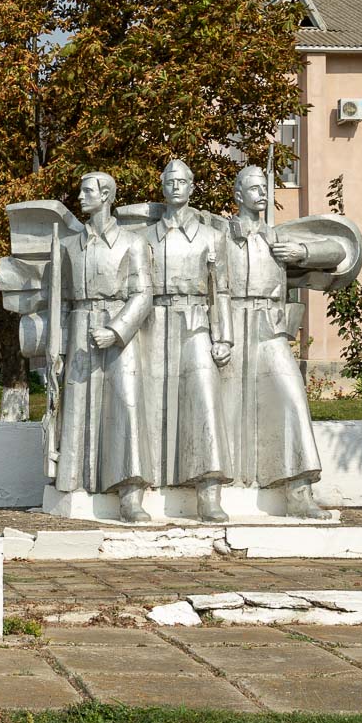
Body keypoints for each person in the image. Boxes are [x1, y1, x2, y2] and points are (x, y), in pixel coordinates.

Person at [222, 165, 343, 518]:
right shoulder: (221, 234)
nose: (262, 193)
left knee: (291, 399)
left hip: (268, 328)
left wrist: (300, 252)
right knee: (223, 408)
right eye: (254, 188)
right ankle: (213, 488)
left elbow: (338, 250)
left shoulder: (279, 238)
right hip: (230, 327)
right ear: (238, 194)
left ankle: (298, 492)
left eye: (265, 187)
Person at [53, 173, 157, 520]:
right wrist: (58, 347)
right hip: (79, 328)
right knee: (77, 406)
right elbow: (59, 300)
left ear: (106, 195)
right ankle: (73, 483)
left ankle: (130, 494)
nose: (81, 196)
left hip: (118, 329)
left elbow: (143, 294)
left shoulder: (132, 242)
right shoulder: (69, 245)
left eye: (87, 191)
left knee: (126, 405)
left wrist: (116, 330)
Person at [141, 159, 234, 522]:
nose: (176, 186)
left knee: (203, 401)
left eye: (182, 181)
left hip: (195, 321)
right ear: (162, 186)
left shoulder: (212, 237)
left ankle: (208, 493)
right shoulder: (145, 237)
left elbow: (220, 290)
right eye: (170, 181)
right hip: (153, 321)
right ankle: (140, 488)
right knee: (149, 403)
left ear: (192, 187)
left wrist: (224, 337)